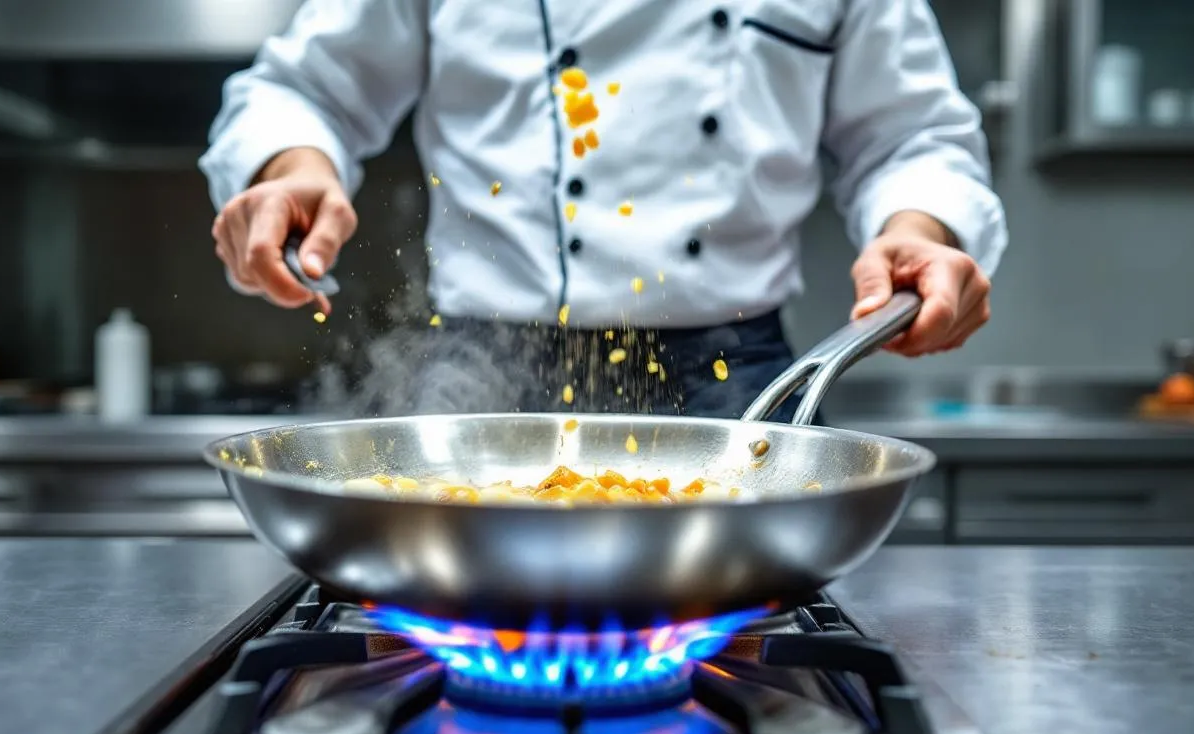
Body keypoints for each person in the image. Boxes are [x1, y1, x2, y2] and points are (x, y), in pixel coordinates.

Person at [201, 0, 1006, 420]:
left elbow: (913, 137)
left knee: (757, 646)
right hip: (483, 382)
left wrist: (918, 231)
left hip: (734, 382)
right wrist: (291, 167)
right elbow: (304, 89)